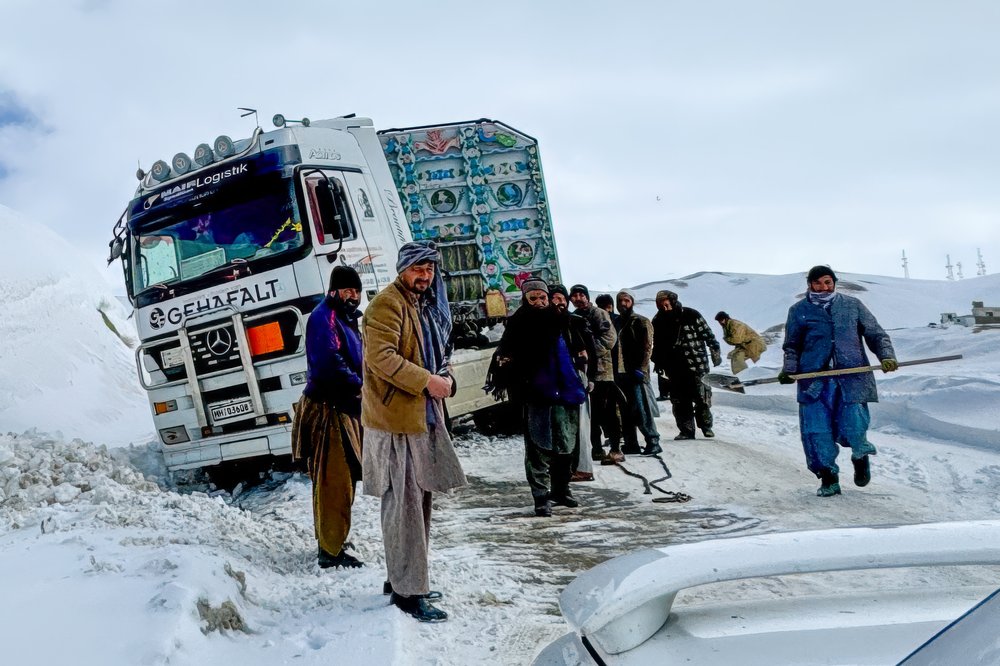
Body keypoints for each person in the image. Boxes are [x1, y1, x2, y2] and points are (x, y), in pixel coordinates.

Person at [361, 241, 467, 622]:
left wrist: (444, 375)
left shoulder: (418, 304)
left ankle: (404, 577)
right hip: (396, 423)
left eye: (430, 269)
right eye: (418, 269)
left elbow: (434, 351)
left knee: (416, 503)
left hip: (418, 417)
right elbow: (382, 358)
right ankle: (408, 592)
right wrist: (427, 382)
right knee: (404, 506)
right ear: (403, 268)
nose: (425, 276)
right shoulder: (386, 305)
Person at [779, 265, 898, 497]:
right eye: (818, 283)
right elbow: (792, 345)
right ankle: (829, 477)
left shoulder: (852, 305)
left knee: (854, 423)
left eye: (827, 282)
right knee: (817, 430)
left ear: (834, 282)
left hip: (852, 377)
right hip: (814, 381)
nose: (823, 287)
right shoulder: (799, 310)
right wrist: (789, 369)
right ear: (810, 285)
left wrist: (886, 356)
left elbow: (875, 334)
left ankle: (860, 455)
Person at [291, 266, 365, 570]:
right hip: (329, 410)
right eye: (348, 290)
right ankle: (331, 550)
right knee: (334, 482)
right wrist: (359, 386)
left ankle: (334, 540)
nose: (353, 296)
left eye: (357, 291)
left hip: (342, 408)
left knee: (343, 480)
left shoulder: (343, 318)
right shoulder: (325, 318)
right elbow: (328, 364)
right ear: (334, 290)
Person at [495, 279, 589, 517]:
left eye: (542, 298)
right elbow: (505, 358)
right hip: (535, 395)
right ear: (525, 300)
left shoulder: (564, 321)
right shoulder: (517, 324)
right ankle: (540, 496)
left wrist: (585, 375)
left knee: (565, 444)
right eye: (533, 298)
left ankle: (561, 490)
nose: (538, 303)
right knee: (539, 446)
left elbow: (581, 351)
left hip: (566, 392)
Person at [651, 290, 722, 440]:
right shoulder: (657, 321)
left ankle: (706, 426)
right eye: (660, 305)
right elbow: (656, 345)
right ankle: (686, 430)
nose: (664, 307)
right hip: (673, 367)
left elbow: (707, 334)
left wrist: (715, 350)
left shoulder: (691, 315)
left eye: (666, 304)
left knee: (701, 398)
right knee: (679, 400)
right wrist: (658, 362)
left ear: (673, 301)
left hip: (696, 364)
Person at [569, 284, 625, 465]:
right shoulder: (573, 318)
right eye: (574, 296)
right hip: (584, 373)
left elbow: (610, 338)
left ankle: (616, 449)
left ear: (586, 297)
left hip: (602, 371)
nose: (578, 298)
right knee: (591, 413)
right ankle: (597, 448)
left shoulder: (598, 313)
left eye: (581, 295)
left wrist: (590, 354)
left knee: (609, 412)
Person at [550, 284, 597, 482]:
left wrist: (592, 377)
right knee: (560, 426)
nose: (559, 303)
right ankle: (565, 468)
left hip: (577, 376)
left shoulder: (576, 321)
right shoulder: (546, 324)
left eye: (562, 298)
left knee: (581, 424)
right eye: (555, 299)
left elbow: (592, 351)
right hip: (556, 379)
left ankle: (583, 468)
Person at [615, 289, 662, 456]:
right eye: (620, 300)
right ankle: (631, 443)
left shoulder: (641, 321)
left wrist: (642, 368)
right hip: (620, 373)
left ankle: (653, 441)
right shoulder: (616, 322)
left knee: (641, 409)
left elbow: (647, 347)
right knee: (625, 410)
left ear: (632, 302)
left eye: (626, 300)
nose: (623, 304)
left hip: (636, 372)